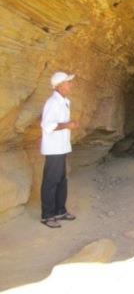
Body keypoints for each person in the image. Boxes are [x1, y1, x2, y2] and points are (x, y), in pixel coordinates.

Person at [40, 71, 79, 228]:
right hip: (53, 148)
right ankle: (47, 216)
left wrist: (68, 125)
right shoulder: (52, 102)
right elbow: (47, 125)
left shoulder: (64, 101)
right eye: (68, 82)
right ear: (60, 86)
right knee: (51, 181)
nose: (71, 84)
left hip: (62, 147)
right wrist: (68, 125)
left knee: (62, 180)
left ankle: (60, 211)